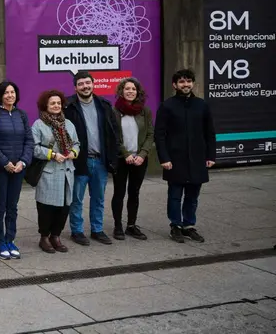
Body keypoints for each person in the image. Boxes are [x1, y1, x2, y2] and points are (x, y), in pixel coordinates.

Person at [154, 69, 215, 244]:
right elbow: (159, 135)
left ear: (193, 83)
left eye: (188, 81)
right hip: (175, 159)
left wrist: (211, 156)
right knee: (175, 195)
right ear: (175, 85)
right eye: (181, 82)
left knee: (192, 196)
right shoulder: (167, 106)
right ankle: (175, 225)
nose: (185, 84)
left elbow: (209, 133)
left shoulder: (202, 105)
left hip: (197, 158)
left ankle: (188, 225)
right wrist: (164, 158)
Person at [65, 71, 120, 246]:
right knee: (77, 199)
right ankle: (77, 231)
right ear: (75, 87)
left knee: (98, 198)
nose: (85, 86)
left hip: (100, 160)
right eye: (81, 84)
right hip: (80, 160)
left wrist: (113, 157)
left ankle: (97, 229)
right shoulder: (68, 106)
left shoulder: (104, 105)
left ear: (93, 84)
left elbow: (113, 132)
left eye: (88, 83)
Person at [31, 90, 80, 254]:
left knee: (64, 207)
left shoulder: (69, 124)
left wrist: (74, 152)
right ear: (45, 105)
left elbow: (77, 143)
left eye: (59, 103)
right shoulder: (38, 124)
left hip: (67, 171)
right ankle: (44, 237)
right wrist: (52, 154)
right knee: (47, 208)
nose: (56, 106)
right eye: (52, 103)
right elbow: (34, 148)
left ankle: (56, 236)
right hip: (49, 172)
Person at [0, 80, 33, 260]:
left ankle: (10, 239)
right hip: (1, 169)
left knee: (12, 206)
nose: (10, 95)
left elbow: (29, 141)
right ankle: (0, 242)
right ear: (0, 95)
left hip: (18, 169)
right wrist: (4, 162)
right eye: (6, 92)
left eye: (12, 92)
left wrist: (23, 161)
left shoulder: (21, 115)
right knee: (0, 206)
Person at [111, 77, 154, 241]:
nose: (130, 91)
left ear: (138, 92)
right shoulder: (114, 111)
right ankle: (118, 226)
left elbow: (150, 134)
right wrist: (125, 154)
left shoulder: (145, 111)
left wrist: (142, 154)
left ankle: (131, 225)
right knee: (119, 192)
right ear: (121, 91)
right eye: (127, 88)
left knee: (134, 192)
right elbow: (113, 136)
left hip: (139, 160)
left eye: (133, 89)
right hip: (121, 159)